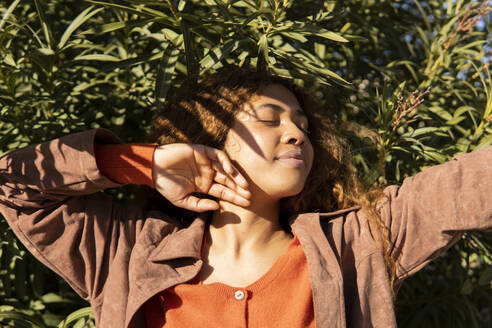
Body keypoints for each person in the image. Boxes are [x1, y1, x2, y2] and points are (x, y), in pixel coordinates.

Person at [0, 67, 491, 328]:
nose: (297, 133)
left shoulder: (354, 245)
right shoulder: (127, 254)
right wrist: (143, 164)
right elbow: (14, 186)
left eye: (302, 122)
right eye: (270, 117)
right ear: (211, 135)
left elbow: (471, 183)